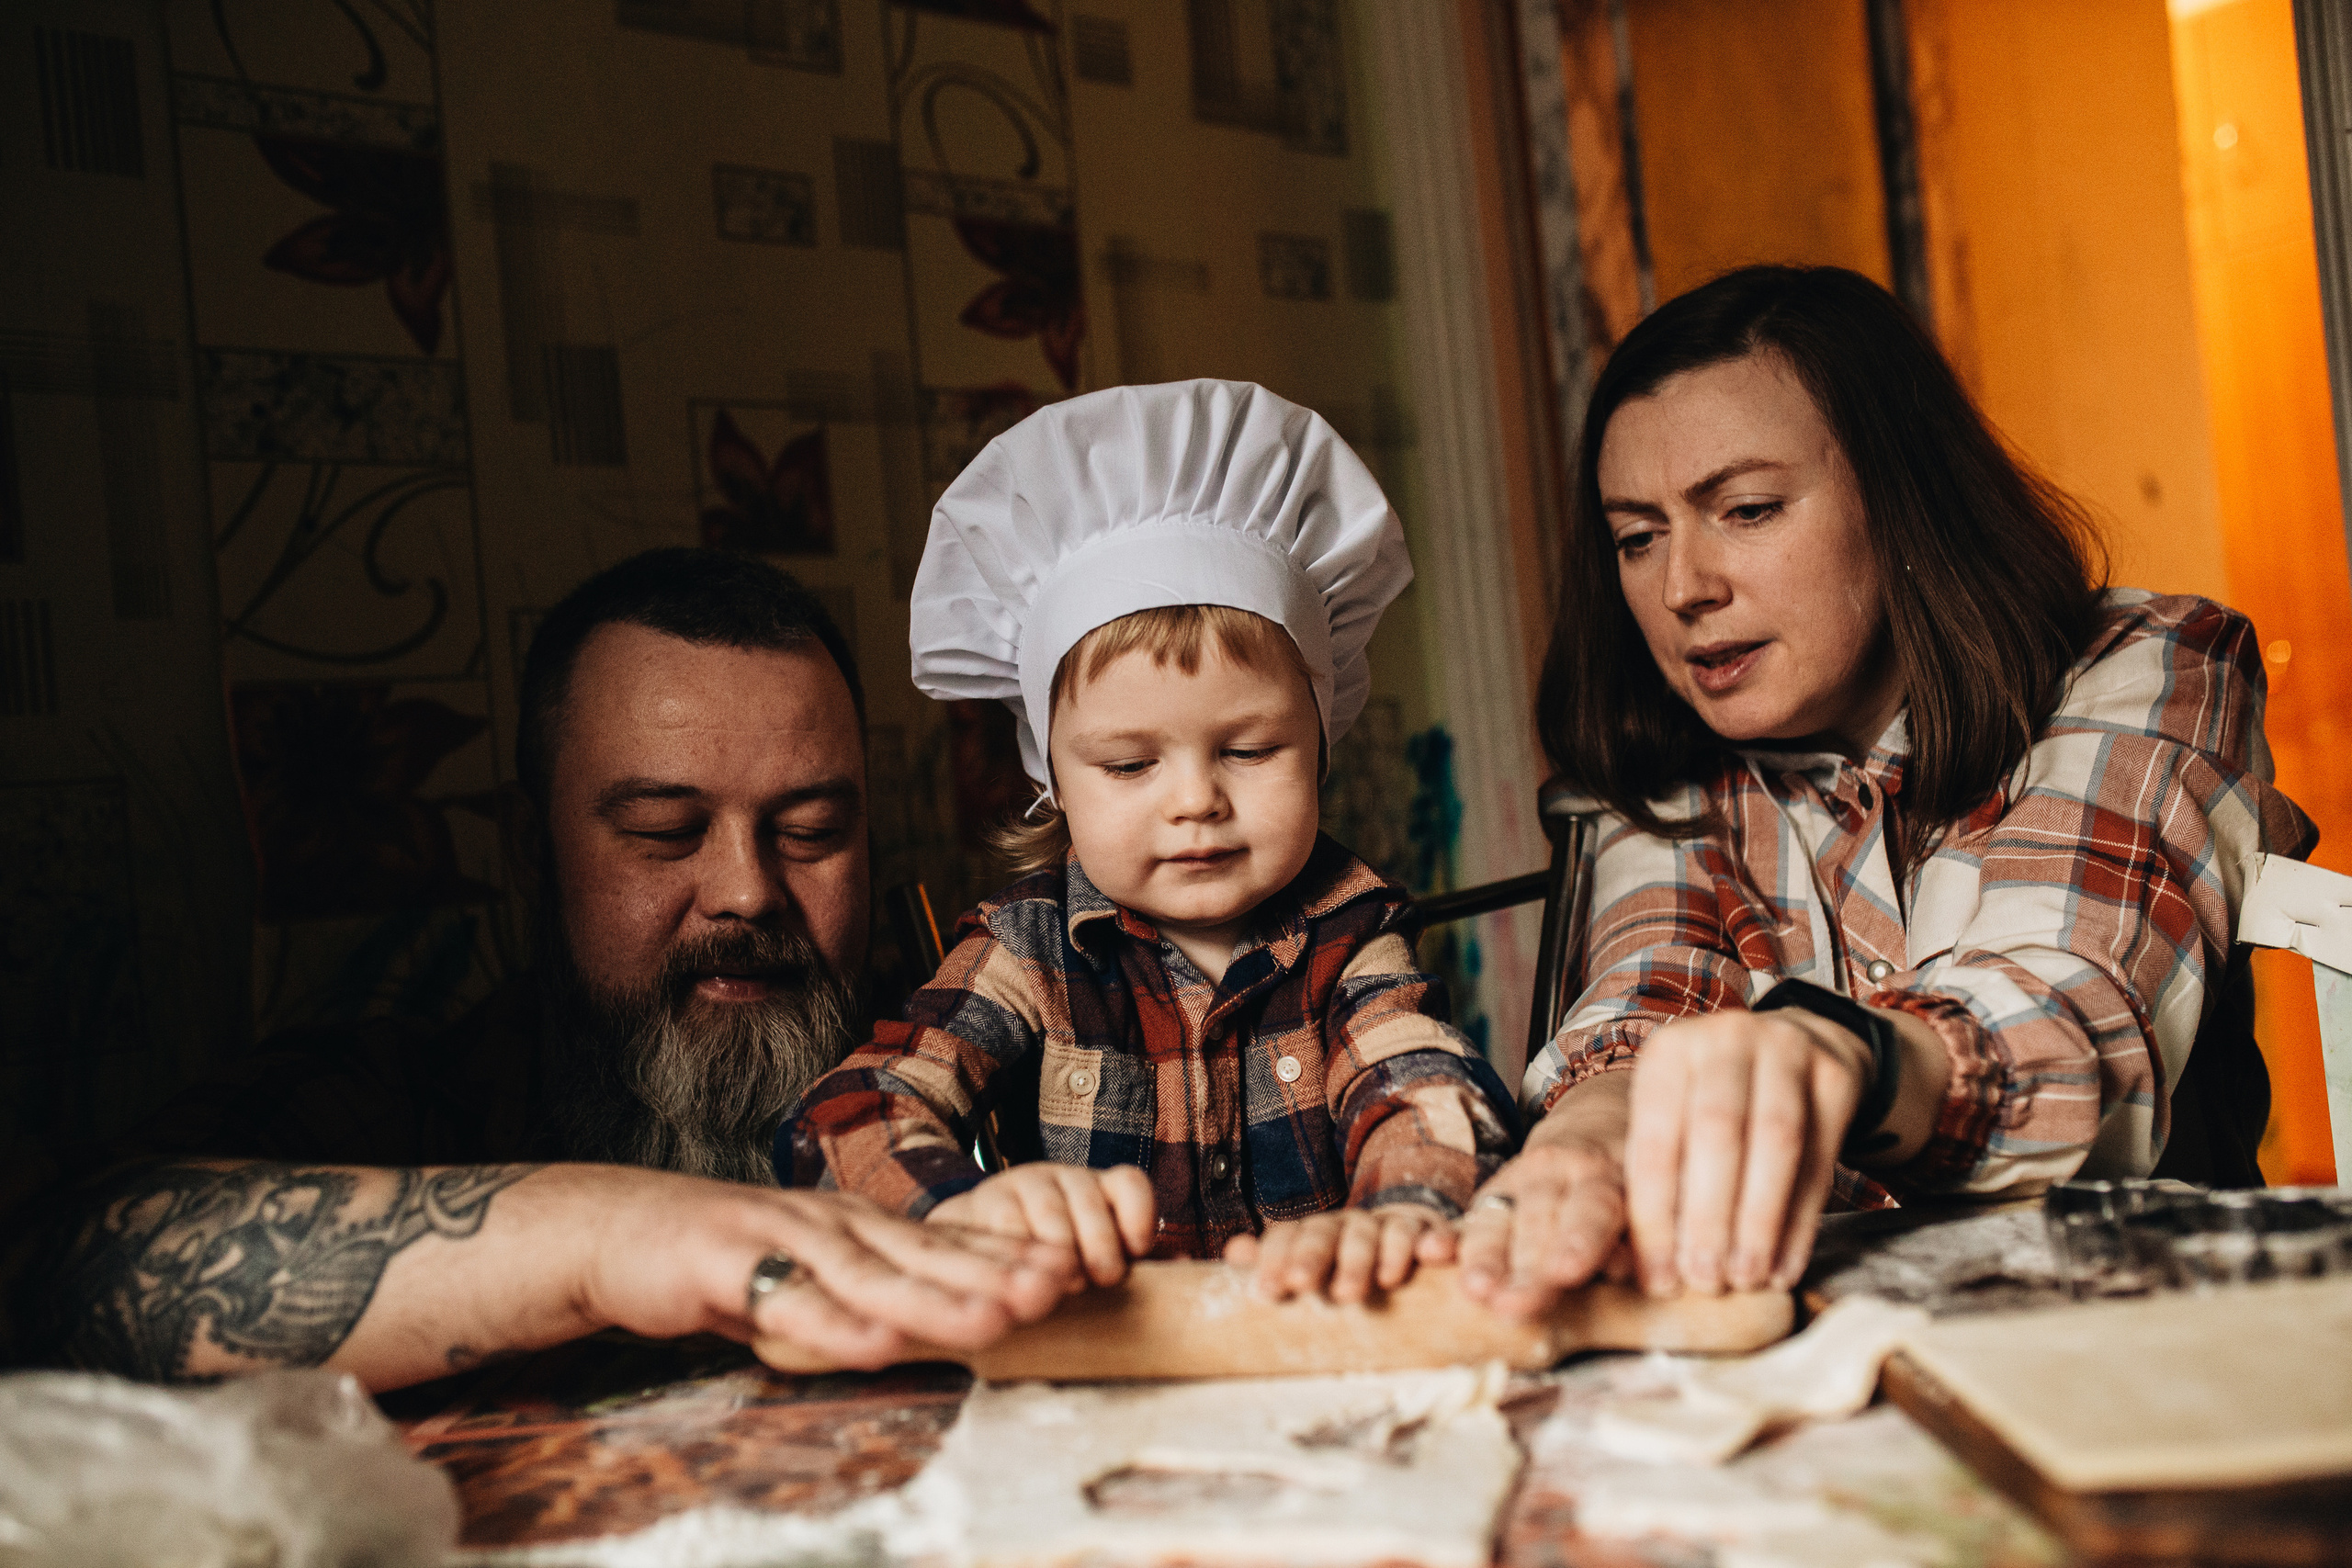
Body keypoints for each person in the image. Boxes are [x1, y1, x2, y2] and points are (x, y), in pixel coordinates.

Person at [1453, 265, 2317, 1317]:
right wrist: (1594, 1129)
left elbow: (2064, 1018)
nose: (1683, 587)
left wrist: (1839, 1055)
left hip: (2148, 1331)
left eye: (1747, 508)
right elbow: (1650, 994)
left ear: (1902, 495)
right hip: (1840, 1346)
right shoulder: (1672, 766)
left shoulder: (2147, 666)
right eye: (1637, 536)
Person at [0, 549, 1079, 1391]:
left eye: (808, 832)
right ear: (533, 856)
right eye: (664, 832)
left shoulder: (1009, 1074)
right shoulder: (403, 1105)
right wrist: (607, 1234)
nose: (747, 891)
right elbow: (47, 1264)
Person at [778, 379, 1518, 1303]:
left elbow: (1418, 1083)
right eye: (1129, 767)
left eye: (1247, 750)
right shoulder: (1025, 951)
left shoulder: (1349, 933)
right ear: (1052, 781)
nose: (1196, 800)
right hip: (1096, 1360)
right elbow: (852, 1112)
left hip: (1304, 1349)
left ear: (1321, 745)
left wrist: (1402, 1210)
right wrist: (957, 1214)